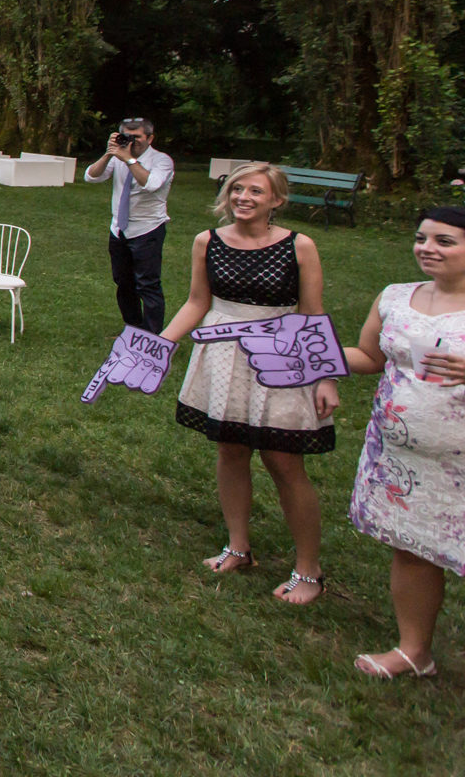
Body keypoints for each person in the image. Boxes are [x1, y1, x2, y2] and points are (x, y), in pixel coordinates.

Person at [161, 163, 334, 602]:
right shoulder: (208, 242)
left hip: (280, 355)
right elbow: (197, 301)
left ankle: (309, 571)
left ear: (276, 200)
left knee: (284, 461)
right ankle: (238, 547)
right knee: (231, 450)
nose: (243, 197)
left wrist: (325, 376)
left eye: (256, 191)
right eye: (237, 188)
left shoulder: (300, 246)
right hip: (222, 354)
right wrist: (159, 345)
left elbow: (312, 314)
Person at [344, 205, 465, 678]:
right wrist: (313, 353)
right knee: (412, 549)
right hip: (404, 460)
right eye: (421, 238)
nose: (427, 249)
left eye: (444, 241)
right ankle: (415, 653)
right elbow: (370, 356)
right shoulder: (395, 296)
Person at [85, 117, 175, 334]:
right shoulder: (118, 156)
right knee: (123, 283)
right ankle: (133, 329)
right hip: (118, 230)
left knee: (147, 285)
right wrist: (110, 153)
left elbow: (152, 184)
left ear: (150, 138)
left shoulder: (162, 161)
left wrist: (129, 160)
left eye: (137, 137)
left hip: (147, 229)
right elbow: (91, 177)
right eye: (127, 136)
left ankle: (152, 336)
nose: (132, 142)